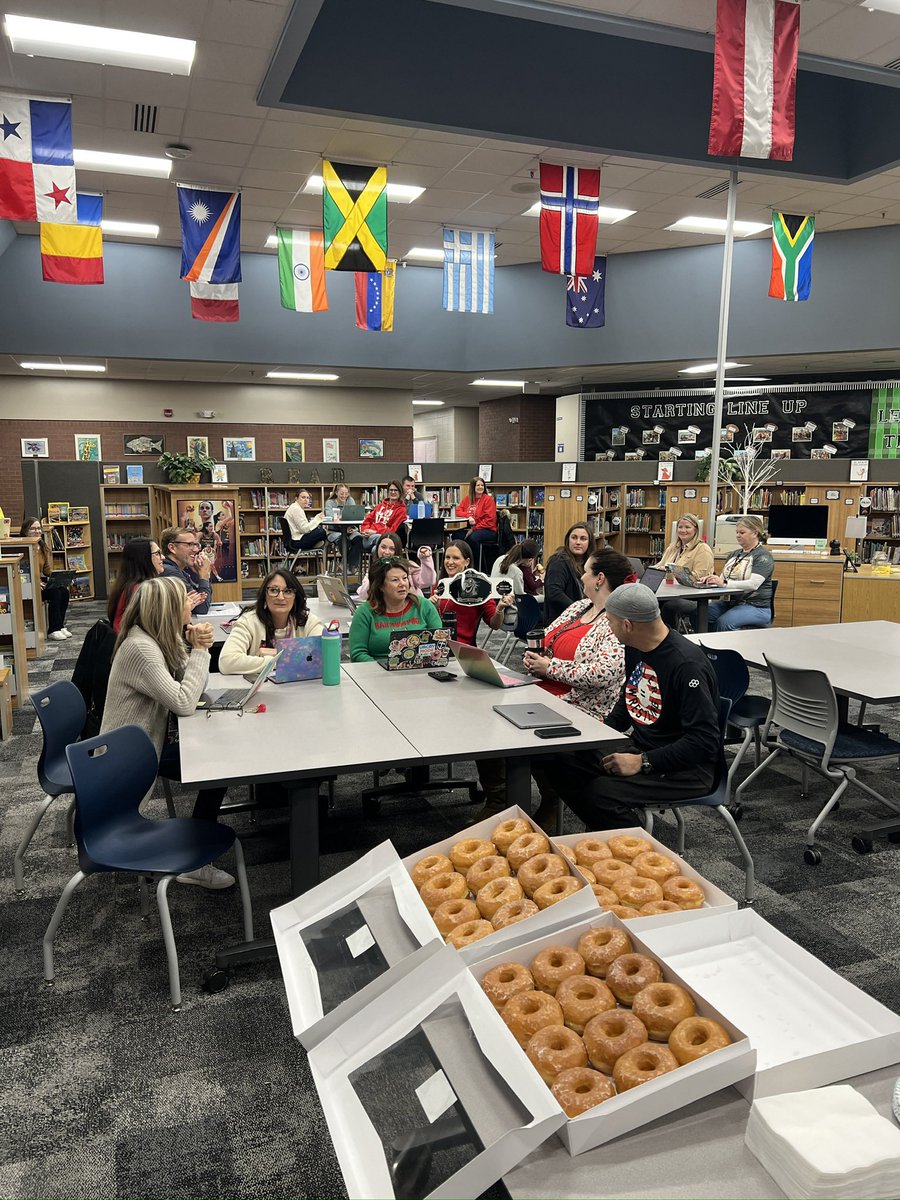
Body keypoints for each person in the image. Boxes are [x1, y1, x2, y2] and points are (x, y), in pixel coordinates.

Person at [537, 582, 720, 832]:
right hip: (644, 748)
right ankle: (605, 833)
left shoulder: (686, 665)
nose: (608, 629)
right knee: (557, 757)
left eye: (610, 622)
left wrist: (643, 761)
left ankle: (639, 852)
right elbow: (629, 700)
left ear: (627, 625)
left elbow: (704, 741)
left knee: (601, 794)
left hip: (688, 769)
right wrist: (596, 736)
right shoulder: (637, 648)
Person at [100, 575, 234, 889]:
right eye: (184, 599)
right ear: (168, 609)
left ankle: (197, 852)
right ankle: (196, 861)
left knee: (217, 764)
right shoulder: (142, 649)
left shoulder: (155, 638)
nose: (190, 603)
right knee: (218, 767)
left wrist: (188, 646)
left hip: (144, 748)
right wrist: (201, 650)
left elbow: (191, 687)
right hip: (128, 760)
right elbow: (185, 702)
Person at [524, 547, 634, 826]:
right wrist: (535, 657)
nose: (581, 577)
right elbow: (546, 639)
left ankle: (543, 803)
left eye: (585, 572)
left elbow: (605, 672)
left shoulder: (616, 619)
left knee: (520, 741)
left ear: (599, 578)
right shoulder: (577, 607)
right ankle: (509, 802)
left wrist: (550, 667)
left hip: (581, 706)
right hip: (543, 692)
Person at [219, 570, 324, 678]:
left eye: (287, 591)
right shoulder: (249, 621)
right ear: (265, 595)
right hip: (261, 692)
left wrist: (276, 654)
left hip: (299, 689)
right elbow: (226, 661)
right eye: (274, 590)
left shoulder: (306, 620)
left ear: (295, 597)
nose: (280, 597)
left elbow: (325, 655)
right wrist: (274, 661)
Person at [349, 556, 442, 662]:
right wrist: (383, 669)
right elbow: (358, 653)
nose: (402, 583)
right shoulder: (364, 613)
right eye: (395, 580)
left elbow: (439, 644)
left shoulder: (424, 606)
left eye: (405, 578)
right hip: (377, 673)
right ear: (380, 586)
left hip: (420, 670)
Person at [700, 515, 775, 631]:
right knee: (699, 615)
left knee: (724, 623)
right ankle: (705, 646)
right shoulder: (733, 554)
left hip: (755, 606)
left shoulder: (763, 556)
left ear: (755, 533)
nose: (738, 536)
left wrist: (724, 583)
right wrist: (711, 581)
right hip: (729, 603)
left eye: (742, 532)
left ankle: (727, 648)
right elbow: (722, 580)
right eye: (737, 532)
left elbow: (753, 585)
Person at [432, 540, 514, 645]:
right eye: (447, 557)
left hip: (460, 646)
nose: (450, 562)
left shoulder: (481, 588)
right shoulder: (439, 585)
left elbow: (495, 625)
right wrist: (431, 607)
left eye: (456, 558)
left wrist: (500, 609)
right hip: (436, 643)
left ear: (467, 562)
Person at [654, 513, 715, 630]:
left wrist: (671, 571)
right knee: (648, 601)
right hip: (670, 591)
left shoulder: (702, 549)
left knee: (668, 606)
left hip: (693, 597)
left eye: (687, 527)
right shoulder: (673, 547)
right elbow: (660, 565)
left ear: (696, 529)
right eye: (680, 527)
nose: (683, 530)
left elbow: (699, 578)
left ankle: (668, 637)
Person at [18, 516, 71, 640]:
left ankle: (60, 625)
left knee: (63, 591)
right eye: (33, 529)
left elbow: (47, 571)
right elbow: (23, 572)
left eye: (39, 529)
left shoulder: (41, 547)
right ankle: (53, 629)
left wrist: (61, 577)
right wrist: (36, 583)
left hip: (40, 583)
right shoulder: (22, 548)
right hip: (28, 586)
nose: (37, 531)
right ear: (25, 531)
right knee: (55, 593)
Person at [106, 537, 165, 632]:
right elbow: (157, 627)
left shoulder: (129, 584)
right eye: (157, 553)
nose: (163, 557)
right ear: (143, 558)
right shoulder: (141, 589)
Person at [356, 532, 435, 600]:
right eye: (383, 547)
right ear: (377, 548)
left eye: (392, 549)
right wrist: (375, 574)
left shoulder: (408, 567)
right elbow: (364, 595)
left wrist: (425, 558)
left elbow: (428, 581)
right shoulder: (373, 569)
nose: (387, 552)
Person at [543, 522, 595, 623]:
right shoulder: (559, 561)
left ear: (590, 542)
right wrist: (580, 610)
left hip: (581, 617)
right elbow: (554, 593)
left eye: (583, 539)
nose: (578, 542)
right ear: (568, 540)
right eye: (574, 538)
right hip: (562, 621)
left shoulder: (590, 563)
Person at [161, 526, 211, 615]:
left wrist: (203, 574)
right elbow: (201, 608)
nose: (196, 550)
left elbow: (203, 598)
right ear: (172, 548)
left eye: (196, 545)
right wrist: (204, 576)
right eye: (189, 544)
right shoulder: (170, 572)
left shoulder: (178, 569)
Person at [456, 476, 497, 562]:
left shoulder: (488, 499)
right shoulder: (468, 499)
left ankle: (476, 565)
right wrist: (468, 516)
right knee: (457, 535)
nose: (480, 487)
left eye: (482, 485)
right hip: (473, 529)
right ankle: (460, 562)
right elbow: (458, 511)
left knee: (473, 538)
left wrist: (474, 529)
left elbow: (489, 520)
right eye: (478, 485)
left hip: (488, 530)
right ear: (473, 487)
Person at [360, 480, 408, 553]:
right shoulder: (380, 506)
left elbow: (393, 531)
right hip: (369, 538)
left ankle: (381, 564)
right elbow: (367, 521)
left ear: (400, 492)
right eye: (391, 490)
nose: (393, 492)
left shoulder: (401, 510)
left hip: (386, 539)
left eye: (395, 490)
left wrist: (375, 532)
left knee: (375, 550)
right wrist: (366, 531)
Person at [324, 484, 362, 573]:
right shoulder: (330, 502)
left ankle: (345, 563)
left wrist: (351, 528)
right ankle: (350, 565)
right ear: (336, 493)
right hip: (334, 531)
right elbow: (330, 517)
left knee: (359, 539)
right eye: (341, 493)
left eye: (346, 493)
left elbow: (354, 515)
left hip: (350, 529)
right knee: (343, 540)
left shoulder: (350, 500)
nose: (344, 496)